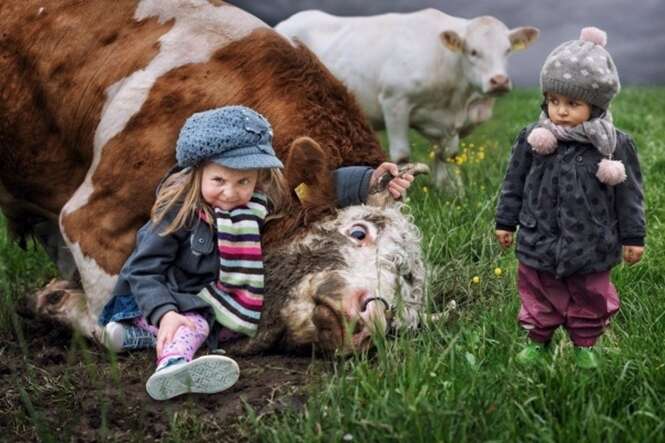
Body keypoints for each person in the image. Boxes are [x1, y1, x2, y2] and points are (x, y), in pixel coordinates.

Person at [98, 105, 413, 400]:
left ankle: (132, 337)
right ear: (196, 174)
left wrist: (368, 180)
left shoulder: (255, 203)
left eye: (243, 181)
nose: (231, 192)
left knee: (227, 328)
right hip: (162, 297)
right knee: (194, 326)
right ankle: (173, 368)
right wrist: (166, 314)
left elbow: (317, 187)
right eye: (219, 180)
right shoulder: (176, 214)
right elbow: (143, 272)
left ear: (259, 179)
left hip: (205, 297)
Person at [494, 27, 646, 369]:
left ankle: (585, 343)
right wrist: (506, 221)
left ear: (595, 105)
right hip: (538, 236)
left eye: (572, 103)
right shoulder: (534, 138)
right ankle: (538, 340)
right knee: (537, 288)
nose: (560, 111)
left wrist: (633, 236)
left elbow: (630, 194)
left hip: (591, 240)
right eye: (553, 101)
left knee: (590, 292)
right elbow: (513, 182)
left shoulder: (614, 146)